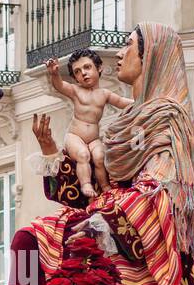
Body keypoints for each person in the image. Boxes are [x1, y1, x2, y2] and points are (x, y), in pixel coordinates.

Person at [6, 24, 194, 285]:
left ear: (152, 58)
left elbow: (161, 192)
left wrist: (99, 223)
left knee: (67, 242)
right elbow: (79, 192)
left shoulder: (168, 119)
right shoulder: (128, 117)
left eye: (129, 46)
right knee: (27, 240)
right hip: (108, 211)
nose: (119, 53)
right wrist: (49, 150)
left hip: (143, 240)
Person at [45, 48, 134, 198]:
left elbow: (121, 102)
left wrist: (141, 101)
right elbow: (59, 85)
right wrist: (54, 74)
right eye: (78, 71)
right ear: (75, 78)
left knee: (100, 156)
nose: (83, 73)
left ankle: (105, 187)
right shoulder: (75, 91)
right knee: (83, 154)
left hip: (93, 139)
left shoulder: (104, 94)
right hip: (75, 136)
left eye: (87, 67)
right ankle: (85, 184)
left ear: (99, 68)